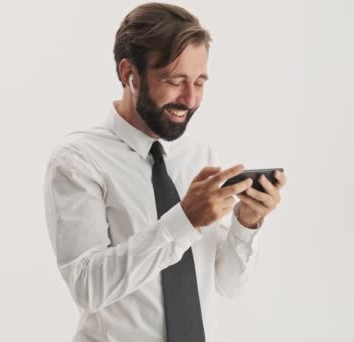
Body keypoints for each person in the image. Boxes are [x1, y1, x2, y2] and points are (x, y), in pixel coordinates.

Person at [44, 3, 287, 341]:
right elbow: (87, 287)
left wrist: (246, 223)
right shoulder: (78, 161)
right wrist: (184, 220)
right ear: (129, 73)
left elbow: (226, 283)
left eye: (200, 82)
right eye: (175, 81)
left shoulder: (198, 155)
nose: (189, 99)